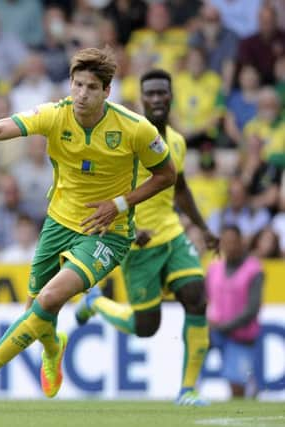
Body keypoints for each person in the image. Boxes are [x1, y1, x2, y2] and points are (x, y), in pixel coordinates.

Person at [0, 47, 176, 398]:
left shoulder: (135, 129)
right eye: (77, 85)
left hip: (106, 232)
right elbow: (0, 129)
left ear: (107, 91)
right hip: (57, 224)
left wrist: (119, 205)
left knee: (50, 297)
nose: (82, 94)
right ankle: (53, 347)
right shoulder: (56, 115)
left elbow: (166, 175)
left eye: (90, 87)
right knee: (34, 311)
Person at [74, 69, 219, 406]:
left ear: (171, 97)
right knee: (146, 327)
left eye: (161, 93)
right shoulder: (129, 141)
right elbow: (104, 189)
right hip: (136, 242)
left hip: (171, 233)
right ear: (141, 100)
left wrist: (203, 227)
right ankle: (96, 303)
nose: (156, 99)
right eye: (149, 94)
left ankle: (188, 390)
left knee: (197, 298)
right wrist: (126, 227)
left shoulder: (178, 142)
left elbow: (179, 188)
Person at [206, 225, 264, 398]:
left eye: (233, 241)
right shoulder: (214, 268)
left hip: (240, 336)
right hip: (214, 333)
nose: (229, 246)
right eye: (225, 242)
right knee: (192, 358)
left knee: (237, 387)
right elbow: (204, 299)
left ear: (241, 242)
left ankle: (250, 389)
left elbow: (252, 309)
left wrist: (224, 326)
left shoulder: (254, 269)